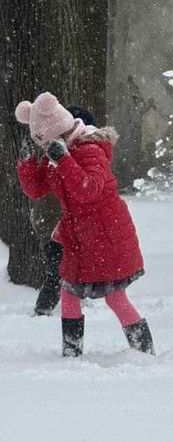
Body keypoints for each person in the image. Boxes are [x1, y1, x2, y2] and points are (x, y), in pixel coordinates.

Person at [15, 92, 154, 356]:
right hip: (78, 234)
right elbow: (36, 189)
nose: (44, 148)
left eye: (46, 141)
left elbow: (88, 190)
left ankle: (144, 351)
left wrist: (64, 159)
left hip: (105, 232)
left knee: (115, 297)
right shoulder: (56, 155)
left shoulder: (91, 151)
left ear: (58, 130)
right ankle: (72, 352)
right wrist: (26, 164)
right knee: (69, 292)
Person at [28, 105, 96, 316]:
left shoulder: (65, 155)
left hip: (59, 223)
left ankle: (72, 302)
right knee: (57, 268)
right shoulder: (58, 157)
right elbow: (41, 189)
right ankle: (44, 308)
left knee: (65, 266)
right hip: (55, 224)